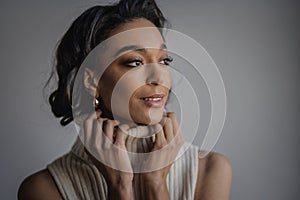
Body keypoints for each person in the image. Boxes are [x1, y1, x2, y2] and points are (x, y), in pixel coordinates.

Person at [18, 0, 232, 199]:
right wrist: (119, 188)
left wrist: (155, 183)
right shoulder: (43, 188)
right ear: (92, 81)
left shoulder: (210, 170)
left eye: (164, 60)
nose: (159, 77)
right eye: (135, 63)